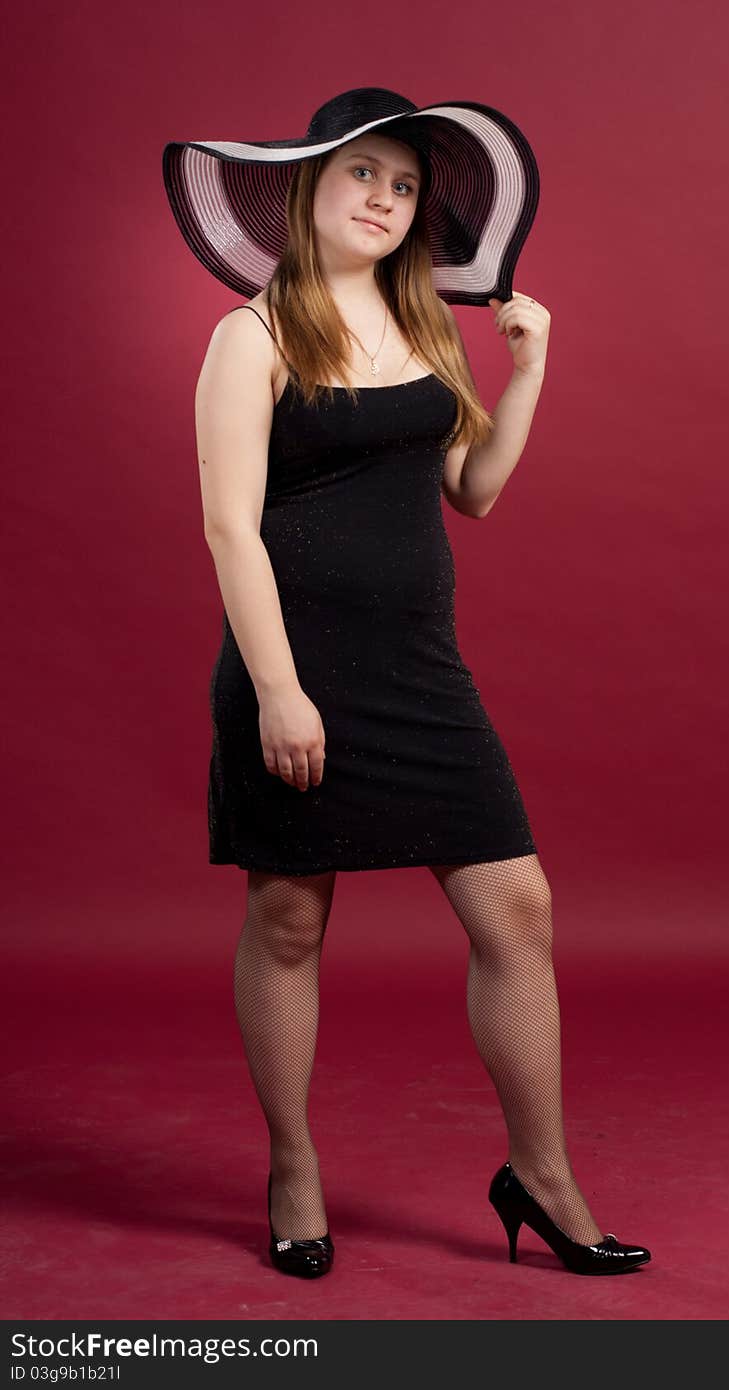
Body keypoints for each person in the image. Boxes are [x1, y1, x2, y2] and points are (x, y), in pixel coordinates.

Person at [164, 88, 651, 1279]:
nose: (383, 200)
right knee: (290, 914)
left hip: (419, 675)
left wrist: (526, 372)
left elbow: (471, 491)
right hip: (296, 668)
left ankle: (539, 1175)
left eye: (403, 185)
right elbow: (231, 529)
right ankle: (293, 1167)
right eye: (361, 176)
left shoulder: (428, 324)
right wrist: (279, 691)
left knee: (515, 906)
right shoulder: (254, 335)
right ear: (306, 190)